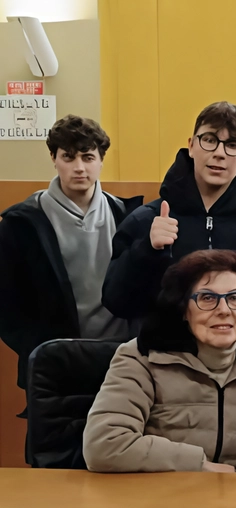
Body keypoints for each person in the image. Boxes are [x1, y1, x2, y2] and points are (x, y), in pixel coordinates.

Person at [82, 250, 236, 473]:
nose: (224, 310)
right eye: (207, 298)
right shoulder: (141, 359)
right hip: (156, 499)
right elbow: (103, 444)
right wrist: (200, 466)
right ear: (183, 310)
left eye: (235, 297)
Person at [103, 101, 236, 321]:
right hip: (164, 352)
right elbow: (116, 302)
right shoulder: (147, 219)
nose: (219, 153)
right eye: (209, 140)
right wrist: (146, 250)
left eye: (233, 145)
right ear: (191, 146)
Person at [0, 115, 140, 391]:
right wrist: (37, 347)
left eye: (88, 158)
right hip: (55, 361)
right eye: (68, 157)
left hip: (120, 358)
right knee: (55, 435)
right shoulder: (22, 222)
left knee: (118, 433)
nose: (79, 168)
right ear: (54, 158)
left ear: (101, 160)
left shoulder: (128, 216)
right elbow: (6, 303)